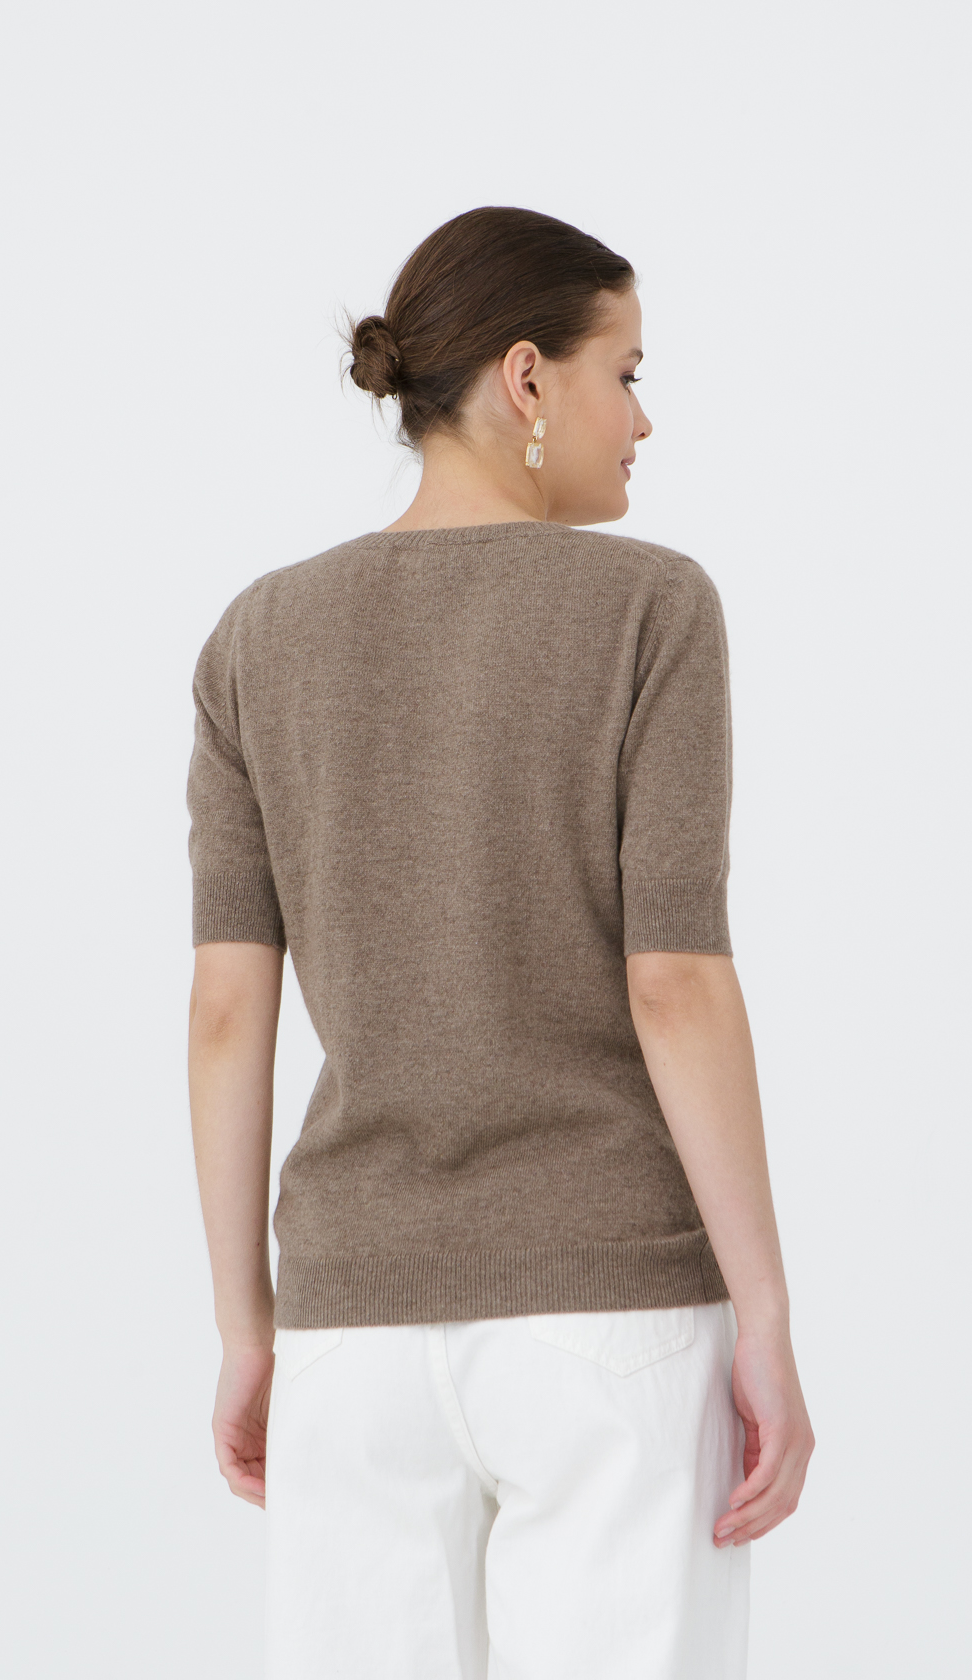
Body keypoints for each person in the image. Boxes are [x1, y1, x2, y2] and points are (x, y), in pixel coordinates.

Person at [185, 205, 813, 1680]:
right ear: (528, 378)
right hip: (612, 1317)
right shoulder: (650, 607)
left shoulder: (257, 638)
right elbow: (674, 982)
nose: (644, 419)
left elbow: (224, 1013)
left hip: (350, 1331)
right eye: (627, 373)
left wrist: (248, 1330)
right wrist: (767, 1316)